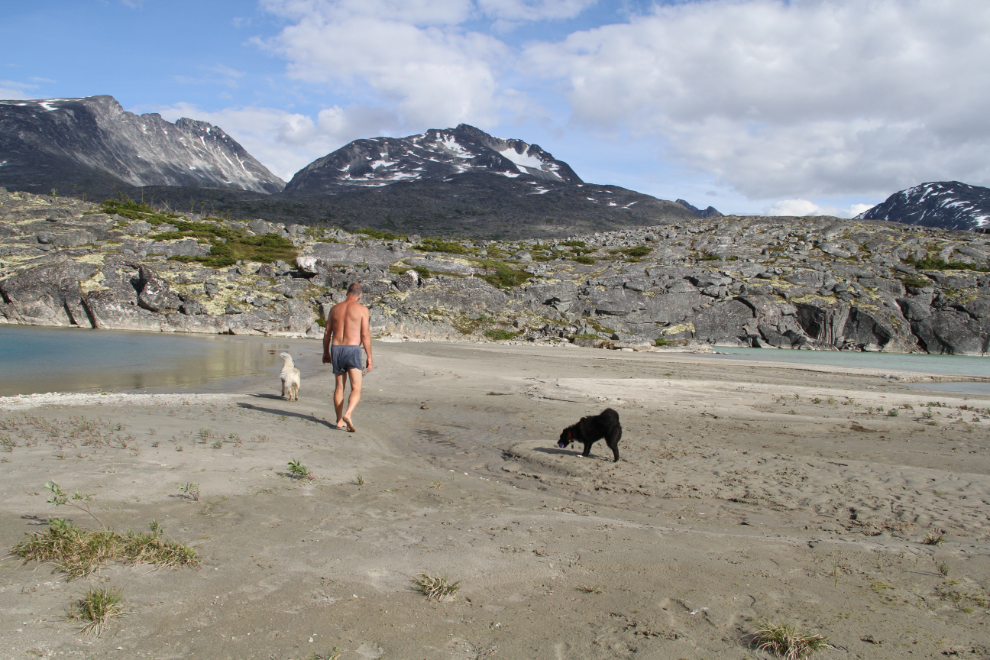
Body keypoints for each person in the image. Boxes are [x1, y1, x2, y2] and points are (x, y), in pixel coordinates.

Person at [322, 282, 373, 432]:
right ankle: (348, 413)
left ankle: (339, 421)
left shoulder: (335, 309)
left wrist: (326, 352)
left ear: (347, 293)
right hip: (352, 349)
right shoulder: (362, 310)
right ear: (360, 296)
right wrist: (369, 356)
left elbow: (327, 333)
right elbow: (364, 334)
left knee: (339, 386)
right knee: (356, 387)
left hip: (336, 348)